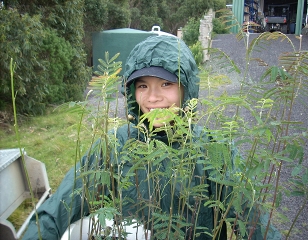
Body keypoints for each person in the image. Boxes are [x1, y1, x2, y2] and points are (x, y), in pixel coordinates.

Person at [22, 35, 281, 240]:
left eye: (166, 84)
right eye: (143, 85)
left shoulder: (215, 151)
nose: (153, 98)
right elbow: (56, 212)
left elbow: (254, 223)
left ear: (186, 89)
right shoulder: (113, 147)